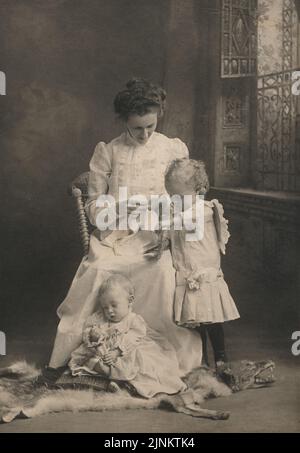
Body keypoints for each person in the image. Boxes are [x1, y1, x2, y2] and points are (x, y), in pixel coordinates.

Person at [48, 78, 202, 375]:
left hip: (156, 236)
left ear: (158, 117)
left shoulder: (172, 149)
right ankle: (99, 353)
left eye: (150, 127)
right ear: (124, 122)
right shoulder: (109, 151)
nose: (144, 134)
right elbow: (93, 207)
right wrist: (118, 208)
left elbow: (187, 199)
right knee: (99, 270)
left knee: (160, 272)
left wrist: (168, 226)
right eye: (137, 128)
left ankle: (156, 357)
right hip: (116, 235)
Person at [164, 158, 240, 370]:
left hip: (202, 275)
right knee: (194, 324)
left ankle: (221, 357)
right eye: (172, 197)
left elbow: (186, 224)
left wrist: (164, 222)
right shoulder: (181, 212)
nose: (175, 202)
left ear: (200, 191)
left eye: (180, 197)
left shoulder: (204, 210)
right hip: (186, 273)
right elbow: (174, 234)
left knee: (212, 320)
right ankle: (200, 360)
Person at [68, 274, 186, 398]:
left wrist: (118, 351)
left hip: (126, 352)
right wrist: (92, 335)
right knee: (91, 361)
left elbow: (135, 335)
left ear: (129, 300)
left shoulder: (133, 320)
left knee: (137, 364)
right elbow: (88, 327)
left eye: (114, 305)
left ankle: (124, 382)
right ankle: (114, 380)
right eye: (105, 307)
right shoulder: (100, 318)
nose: (109, 311)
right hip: (104, 354)